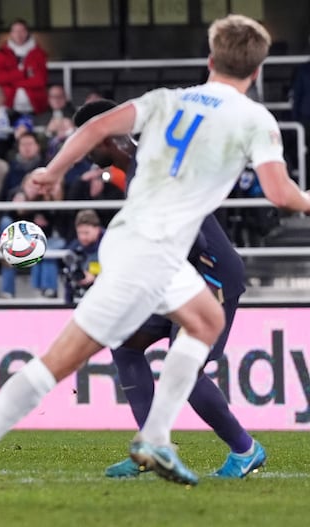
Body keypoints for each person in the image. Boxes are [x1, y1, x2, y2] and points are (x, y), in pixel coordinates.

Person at [0, 15, 310, 498]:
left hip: (146, 248)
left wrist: (52, 170)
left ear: (210, 60)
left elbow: (96, 128)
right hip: (148, 253)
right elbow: (280, 194)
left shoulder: (165, 100)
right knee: (61, 360)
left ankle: (153, 439)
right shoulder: (255, 119)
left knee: (204, 322)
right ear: (257, 71)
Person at [71, 99, 265, 479]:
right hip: (185, 273)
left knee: (185, 371)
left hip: (212, 275)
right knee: (125, 344)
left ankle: (246, 450)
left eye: (85, 139)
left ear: (107, 136)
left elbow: (181, 236)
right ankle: (152, 445)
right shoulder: (140, 167)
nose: (81, 148)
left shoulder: (150, 170)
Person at [0, 19, 48, 115]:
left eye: (22, 31)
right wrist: (24, 73)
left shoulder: (38, 53)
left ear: (27, 32)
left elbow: (40, 80)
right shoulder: (2, 53)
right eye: (15, 31)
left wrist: (11, 82)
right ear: (11, 33)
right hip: (9, 107)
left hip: (35, 107)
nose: (19, 34)